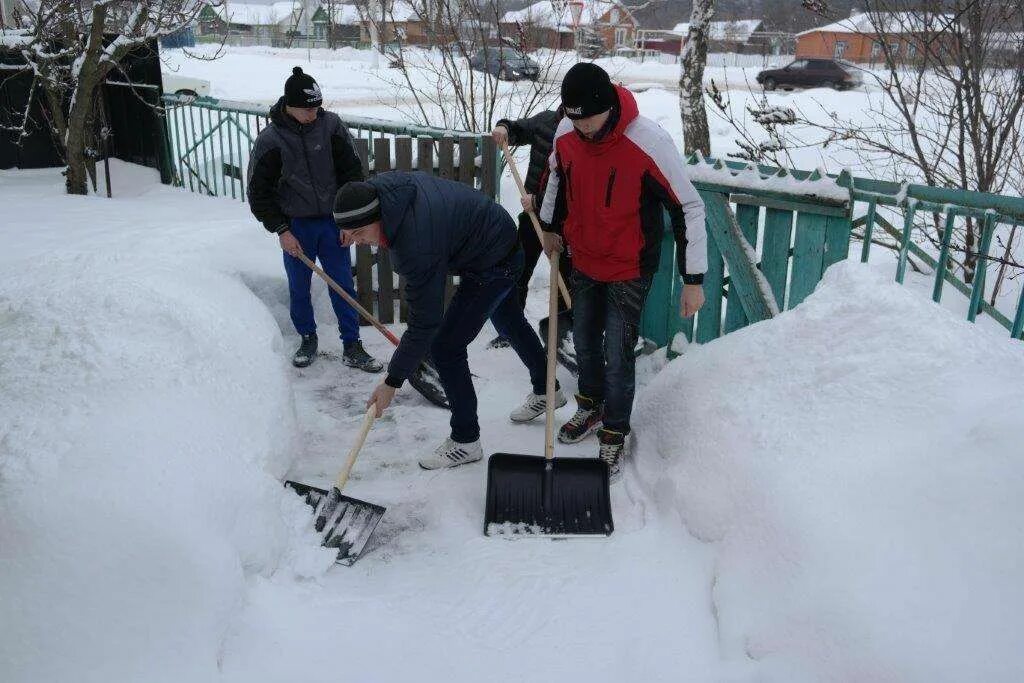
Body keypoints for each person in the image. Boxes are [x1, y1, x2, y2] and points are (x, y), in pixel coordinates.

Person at [538, 62, 708, 478]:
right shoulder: (567, 132)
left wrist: (694, 279)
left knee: (617, 351)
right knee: (585, 342)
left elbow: (688, 206)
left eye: (590, 120)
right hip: (585, 259)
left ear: (608, 106)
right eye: (575, 120)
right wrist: (549, 227)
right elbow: (557, 179)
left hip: (630, 267)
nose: (583, 129)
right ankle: (591, 407)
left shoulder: (647, 141)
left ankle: (614, 432)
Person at [332, 172, 566, 469]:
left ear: (376, 216)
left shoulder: (414, 243)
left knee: (445, 347)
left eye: (359, 234)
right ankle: (548, 390)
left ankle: (465, 440)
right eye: (350, 235)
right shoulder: (384, 192)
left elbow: (424, 322)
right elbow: (359, 216)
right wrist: (351, 227)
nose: (358, 243)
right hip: (498, 238)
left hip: (493, 260)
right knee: (509, 320)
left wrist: (392, 381)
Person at [247, 66, 382, 373]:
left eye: (317, 107)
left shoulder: (331, 126)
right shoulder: (271, 140)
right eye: (308, 109)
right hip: (297, 227)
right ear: (289, 105)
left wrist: (349, 223)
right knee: (299, 287)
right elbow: (258, 192)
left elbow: (352, 173)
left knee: (342, 285)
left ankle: (352, 344)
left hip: (333, 223)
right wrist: (281, 229)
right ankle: (308, 338)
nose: (313, 113)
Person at [489, 109, 572, 349]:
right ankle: (511, 328)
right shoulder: (545, 122)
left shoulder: (584, 135)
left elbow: (572, 184)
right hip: (533, 217)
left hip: (565, 220)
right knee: (518, 270)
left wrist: (537, 200)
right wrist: (505, 128)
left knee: (565, 279)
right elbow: (518, 129)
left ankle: (561, 337)